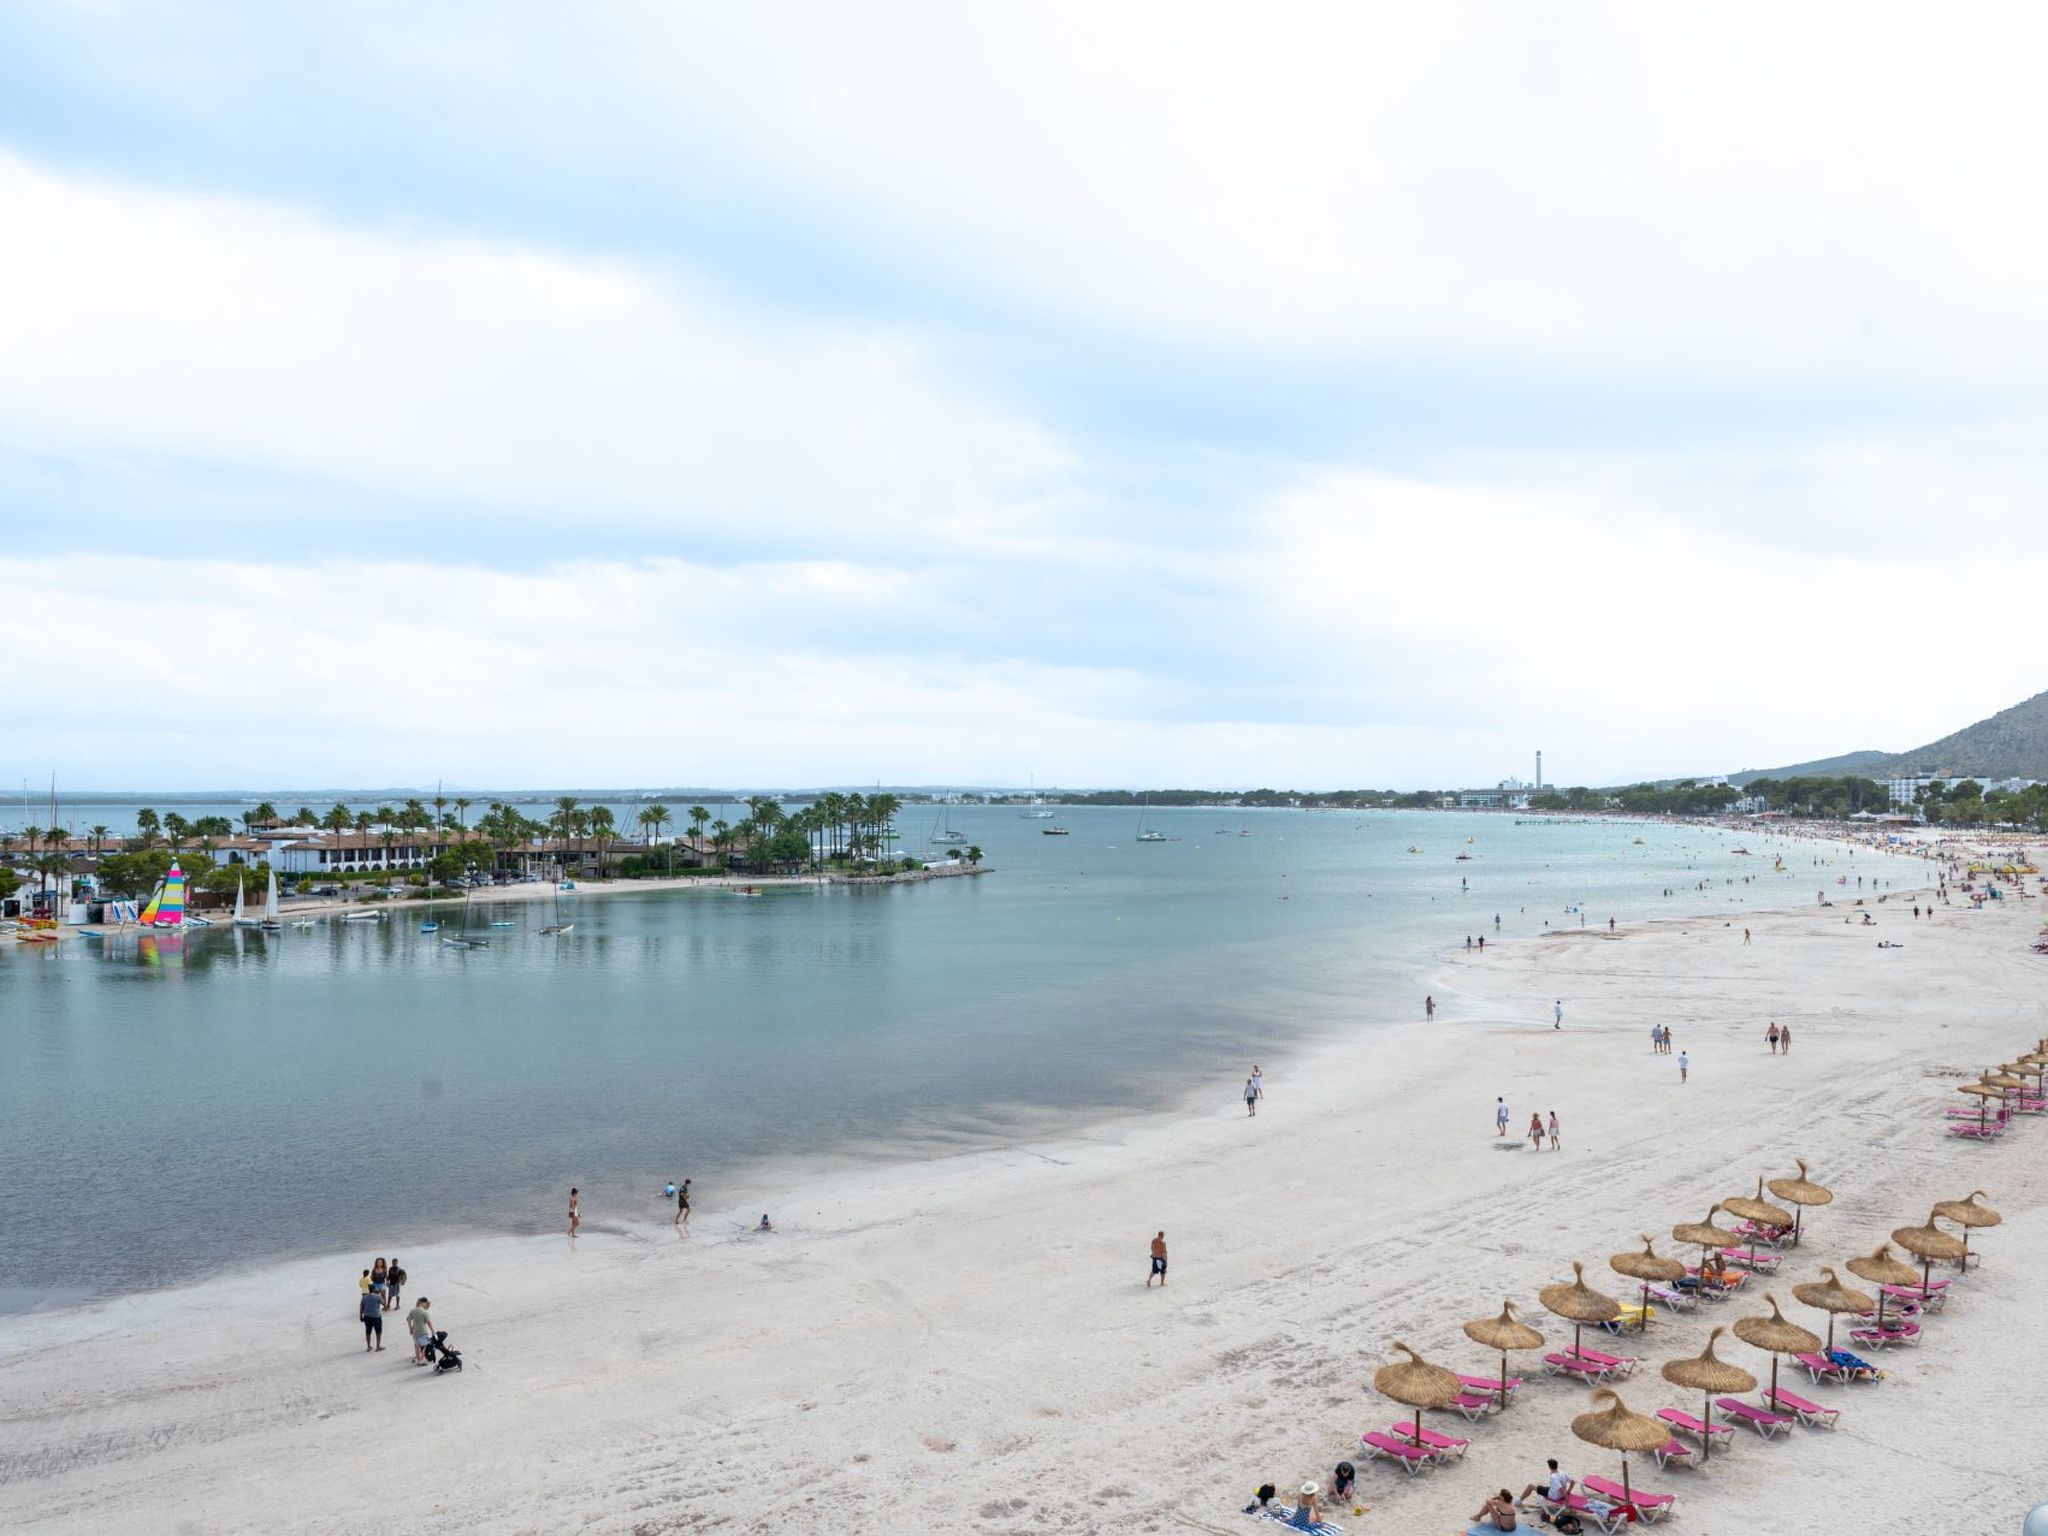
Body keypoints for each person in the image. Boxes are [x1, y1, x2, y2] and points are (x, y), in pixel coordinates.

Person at [406, 1296, 434, 1364]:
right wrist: (433, 1330)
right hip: (423, 1331)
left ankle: (418, 1360)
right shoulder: (424, 1312)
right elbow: (429, 1322)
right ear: (423, 1303)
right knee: (425, 1345)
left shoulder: (412, 1310)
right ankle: (422, 1359)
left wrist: (410, 1329)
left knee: (417, 1346)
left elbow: (408, 1320)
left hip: (415, 1332)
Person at [360, 1283, 385, 1352]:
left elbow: (361, 1307)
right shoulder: (377, 1296)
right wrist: (382, 1294)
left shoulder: (364, 1297)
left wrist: (361, 1316)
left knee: (368, 1331)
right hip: (376, 1316)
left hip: (367, 1317)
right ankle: (378, 1347)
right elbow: (384, 1303)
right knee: (378, 1332)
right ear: (374, 1289)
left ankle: (369, 1346)